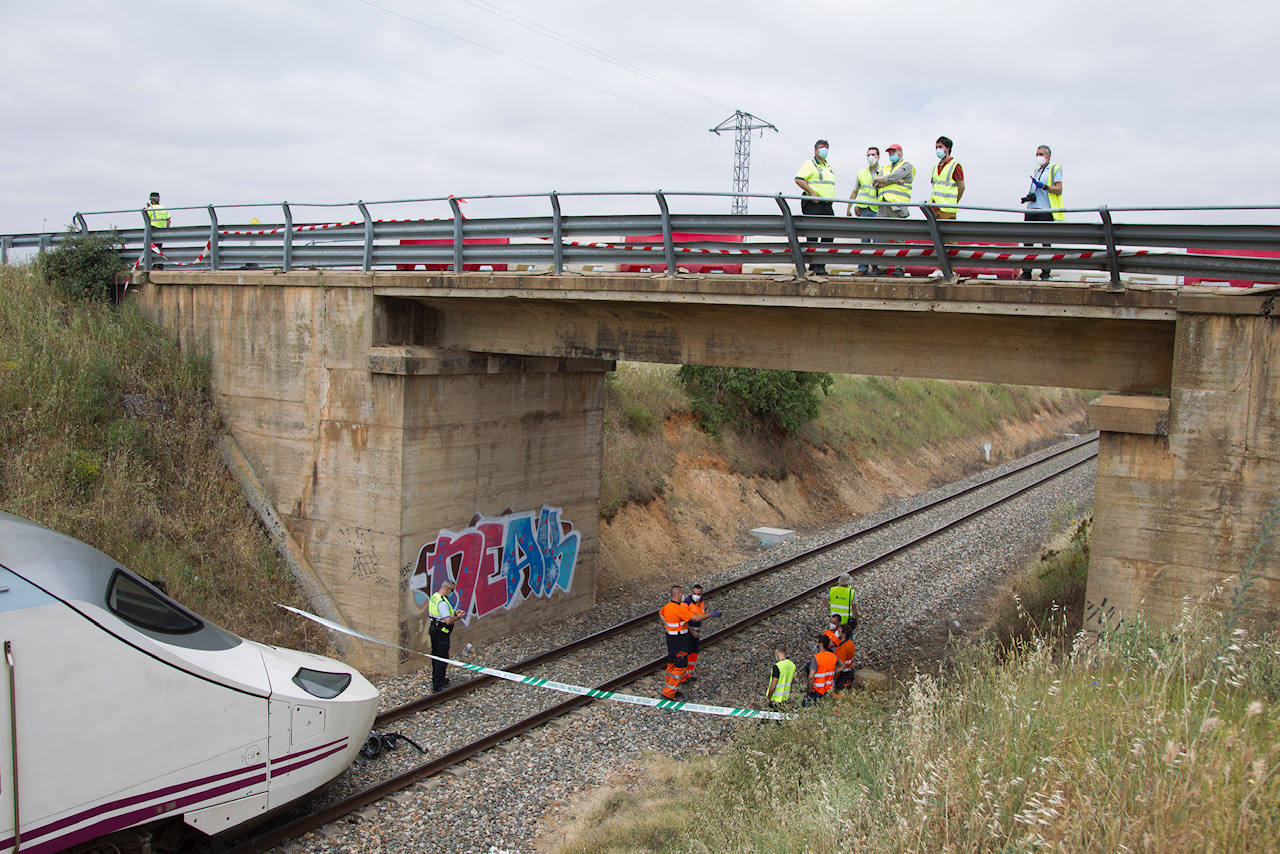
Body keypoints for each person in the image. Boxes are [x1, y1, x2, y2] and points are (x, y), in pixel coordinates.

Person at [659, 585, 720, 699]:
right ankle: (668, 693)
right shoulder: (679, 609)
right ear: (677, 595)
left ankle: (671, 688)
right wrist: (710, 615)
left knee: (672, 665)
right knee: (681, 666)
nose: (683, 595)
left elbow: (660, 613)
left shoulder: (667, 607)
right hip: (679, 641)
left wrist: (667, 623)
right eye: (681, 593)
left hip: (671, 640)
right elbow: (695, 618)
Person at [1020, 145, 1064, 281]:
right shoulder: (1037, 170)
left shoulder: (1054, 169)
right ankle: (1026, 272)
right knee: (1028, 243)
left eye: (1041, 154)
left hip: (1045, 210)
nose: (1038, 157)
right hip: (1032, 209)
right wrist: (1029, 197)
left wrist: (1045, 187)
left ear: (1048, 156)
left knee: (1045, 243)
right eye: (1037, 154)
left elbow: (1058, 189)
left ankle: (1045, 272)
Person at [794, 139, 837, 276]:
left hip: (827, 205)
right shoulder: (810, 164)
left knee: (829, 235)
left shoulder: (827, 166)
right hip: (814, 204)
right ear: (815, 150)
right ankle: (813, 265)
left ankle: (821, 265)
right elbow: (799, 179)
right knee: (813, 236)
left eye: (826, 147)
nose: (824, 149)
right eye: (821, 147)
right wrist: (811, 192)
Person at [873, 144, 915, 276]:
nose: (891, 154)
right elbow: (874, 183)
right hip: (883, 205)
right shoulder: (885, 168)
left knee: (898, 238)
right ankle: (883, 267)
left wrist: (886, 180)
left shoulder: (907, 166)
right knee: (883, 238)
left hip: (897, 206)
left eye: (894, 152)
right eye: (890, 153)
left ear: (900, 152)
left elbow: (891, 178)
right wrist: (893, 181)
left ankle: (900, 268)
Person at [846, 146, 884, 275]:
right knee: (864, 240)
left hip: (877, 209)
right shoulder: (861, 173)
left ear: (878, 156)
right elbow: (855, 190)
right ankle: (863, 268)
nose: (871, 157)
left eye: (873, 154)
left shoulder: (884, 172)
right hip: (863, 209)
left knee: (877, 241)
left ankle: (876, 267)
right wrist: (849, 207)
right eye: (868, 155)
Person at [428, 579, 461, 692]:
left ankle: (438, 679)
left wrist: (454, 613)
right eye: (451, 590)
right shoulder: (442, 603)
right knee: (442, 657)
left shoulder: (435, 597)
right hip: (441, 632)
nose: (451, 593)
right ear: (447, 589)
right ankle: (438, 685)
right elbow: (447, 621)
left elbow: (442, 614)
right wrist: (458, 617)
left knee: (435, 655)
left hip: (434, 628)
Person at [928, 136, 965, 220]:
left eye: (940, 147)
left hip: (947, 209)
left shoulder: (955, 165)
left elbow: (961, 187)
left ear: (948, 148)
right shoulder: (935, 167)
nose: (937, 149)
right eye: (936, 147)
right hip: (934, 207)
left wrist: (953, 202)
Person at [803, 634, 839, 706]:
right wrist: (834, 672)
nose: (815, 644)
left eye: (817, 642)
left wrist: (810, 689)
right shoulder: (833, 657)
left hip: (817, 690)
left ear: (821, 645)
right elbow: (842, 665)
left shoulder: (816, 658)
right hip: (828, 690)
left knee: (805, 706)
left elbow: (811, 677)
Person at [683, 583, 707, 679]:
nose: (696, 596)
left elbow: (701, 614)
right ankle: (683, 677)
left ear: (701, 595)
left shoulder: (701, 602)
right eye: (694, 593)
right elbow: (684, 619)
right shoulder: (686, 603)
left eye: (698, 594)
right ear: (691, 592)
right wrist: (692, 631)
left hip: (696, 631)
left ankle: (688, 674)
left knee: (693, 653)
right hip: (688, 631)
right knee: (687, 653)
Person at [145, 191, 170, 269]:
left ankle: (155, 266)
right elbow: (169, 220)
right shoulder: (163, 208)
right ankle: (159, 266)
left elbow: (147, 217)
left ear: (151, 199)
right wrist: (166, 229)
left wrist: (147, 208)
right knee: (159, 248)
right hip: (162, 231)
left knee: (153, 248)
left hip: (154, 230)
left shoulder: (151, 208)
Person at [833, 625, 857, 690]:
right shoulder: (850, 643)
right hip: (849, 672)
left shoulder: (843, 648)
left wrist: (834, 680)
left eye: (839, 631)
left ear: (844, 634)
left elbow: (840, 667)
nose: (837, 633)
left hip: (842, 675)